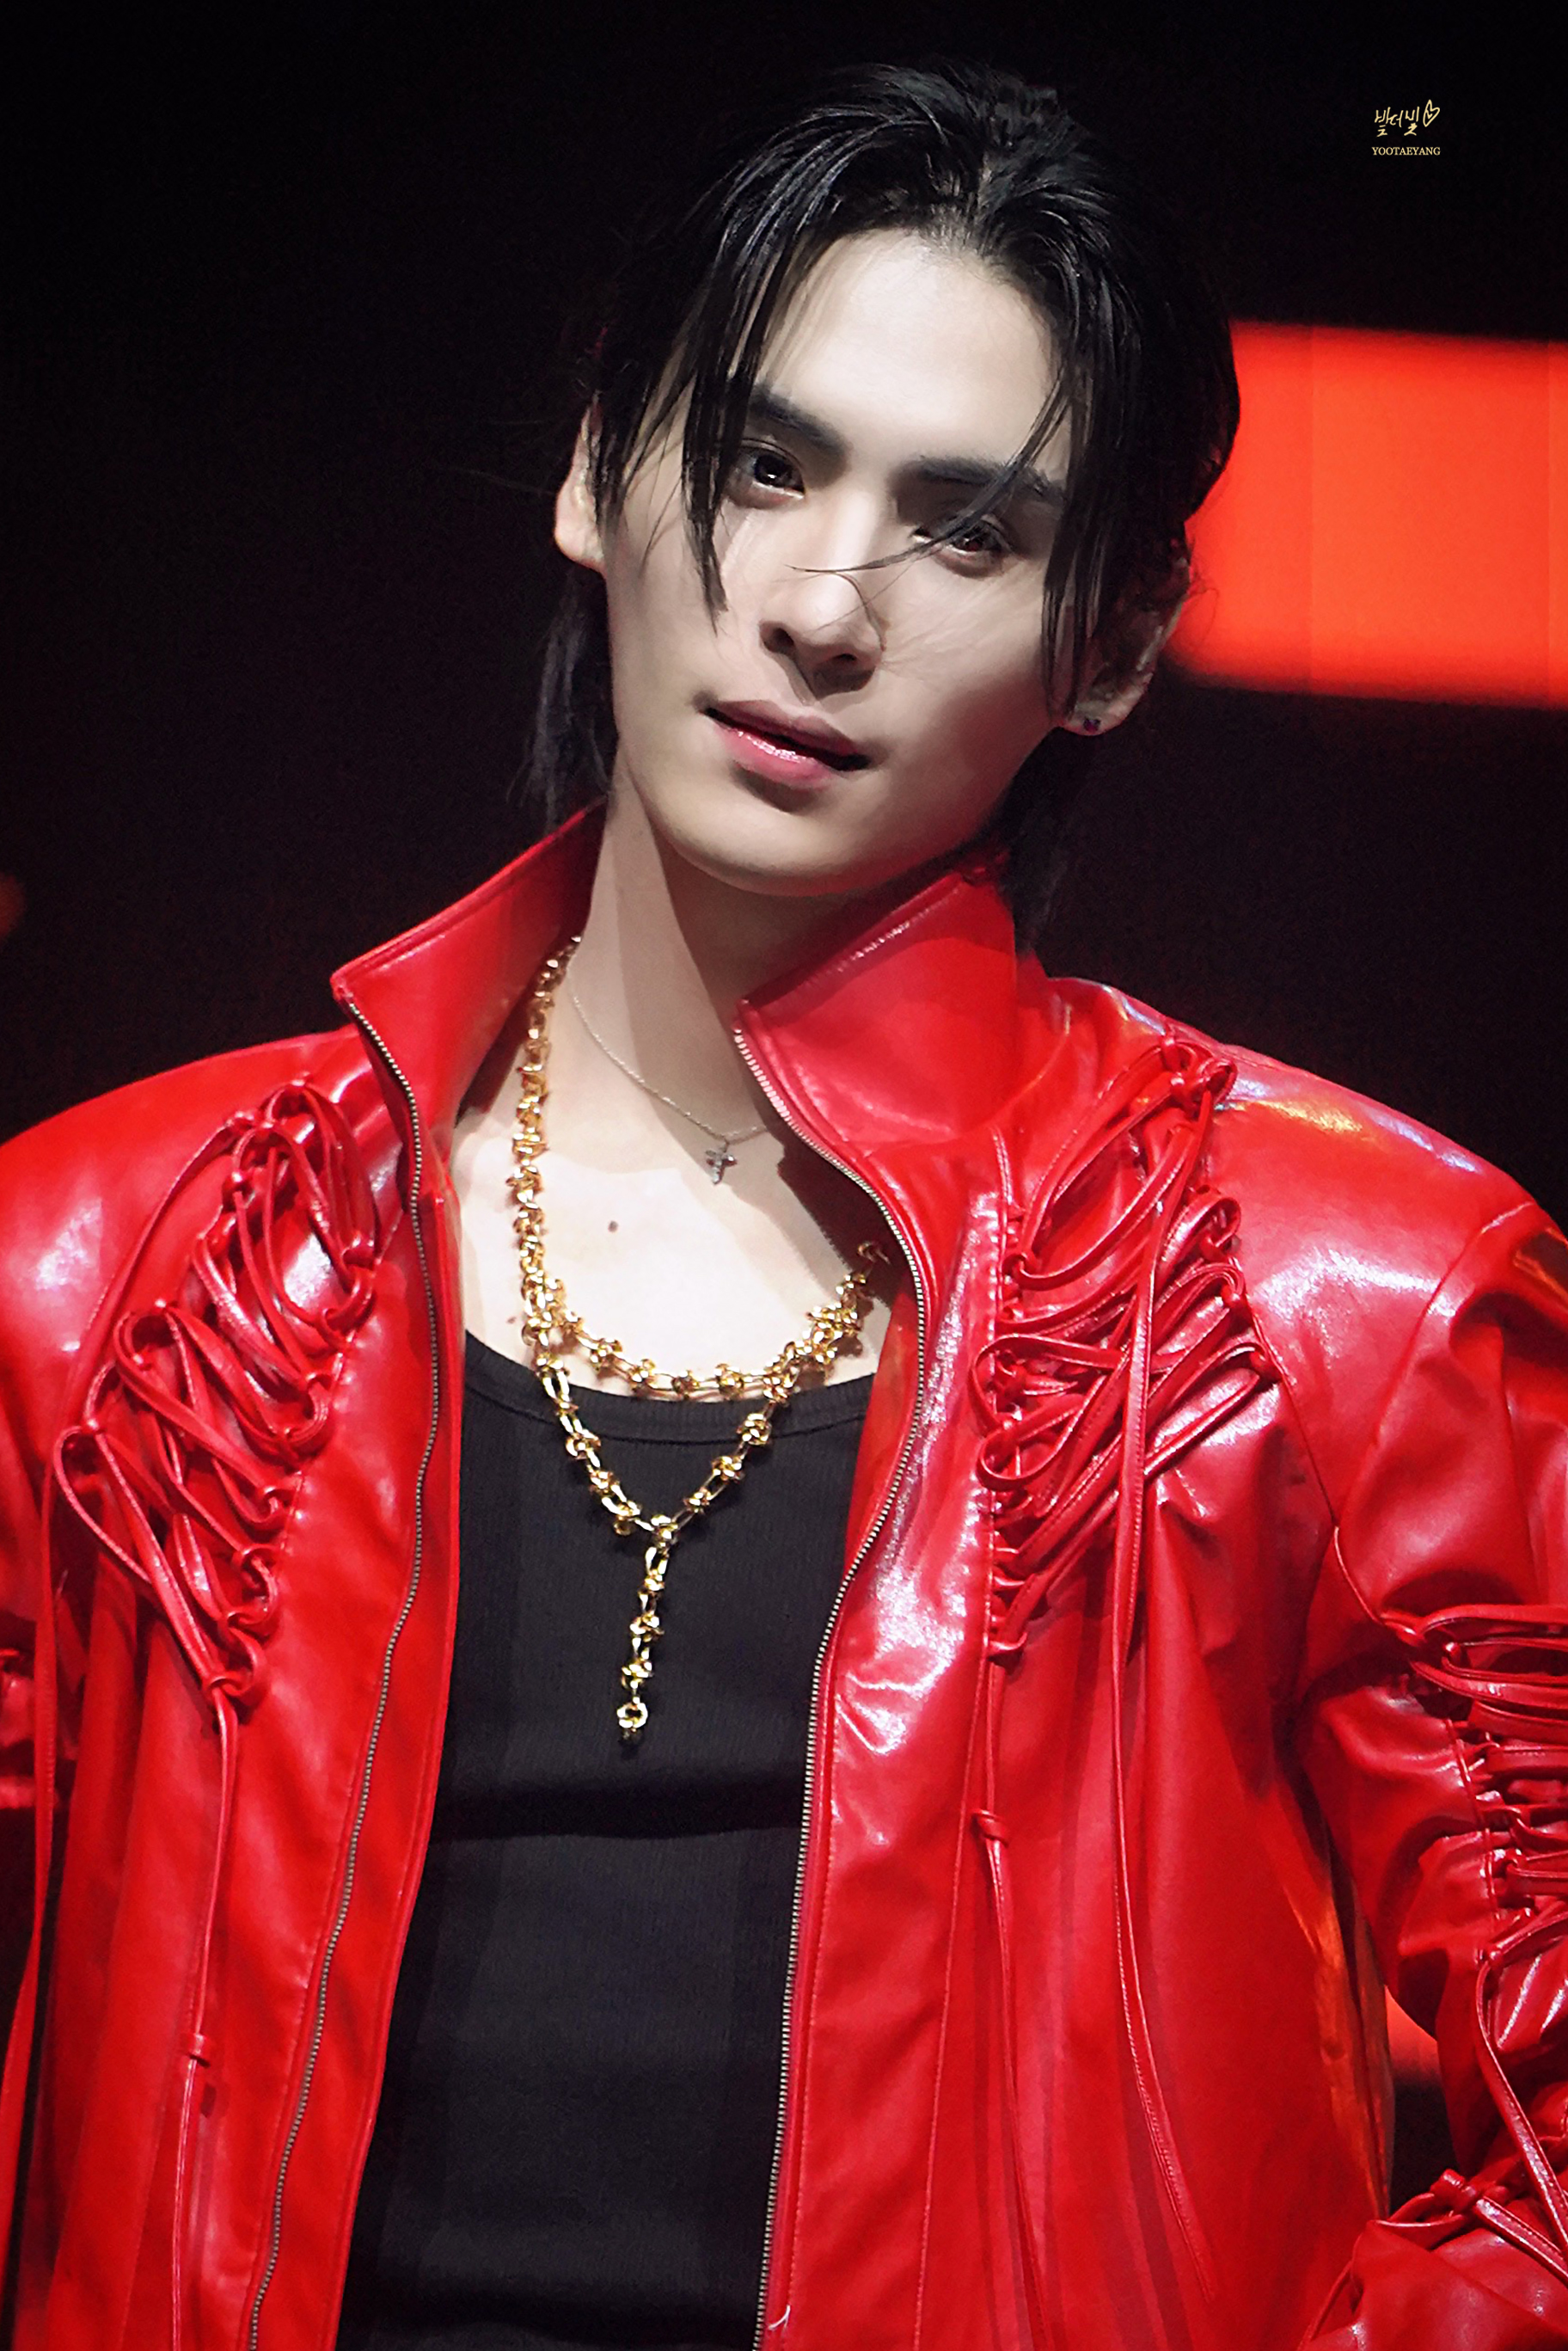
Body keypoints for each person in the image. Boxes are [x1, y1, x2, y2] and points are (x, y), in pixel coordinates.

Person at [0, 56, 1565, 2351]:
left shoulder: (1345, 1310)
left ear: (1117, 643)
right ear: (596, 472)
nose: (828, 606)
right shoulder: (108, 1272)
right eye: (760, 463)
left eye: (968, 532)